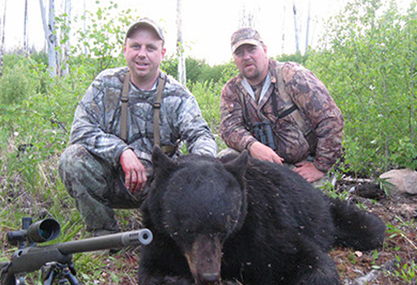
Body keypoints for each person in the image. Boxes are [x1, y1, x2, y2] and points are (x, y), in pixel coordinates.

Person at [59, 18, 217, 235]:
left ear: (162, 53)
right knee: (72, 159)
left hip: (163, 187)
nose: (142, 54)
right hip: (115, 179)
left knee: (208, 167)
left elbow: (201, 135)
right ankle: (102, 235)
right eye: (136, 46)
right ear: (125, 50)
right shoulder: (106, 84)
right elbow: (80, 129)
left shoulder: (178, 94)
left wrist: (196, 169)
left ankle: (175, 233)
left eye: (151, 48)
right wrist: (122, 152)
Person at [219, 27, 344, 184]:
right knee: (224, 161)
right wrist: (252, 146)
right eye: (239, 53)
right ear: (234, 58)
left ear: (264, 50)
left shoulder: (292, 76)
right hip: (262, 164)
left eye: (252, 49)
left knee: (304, 201)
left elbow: (330, 119)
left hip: (301, 165)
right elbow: (229, 128)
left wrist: (319, 166)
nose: (246, 57)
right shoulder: (232, 90)